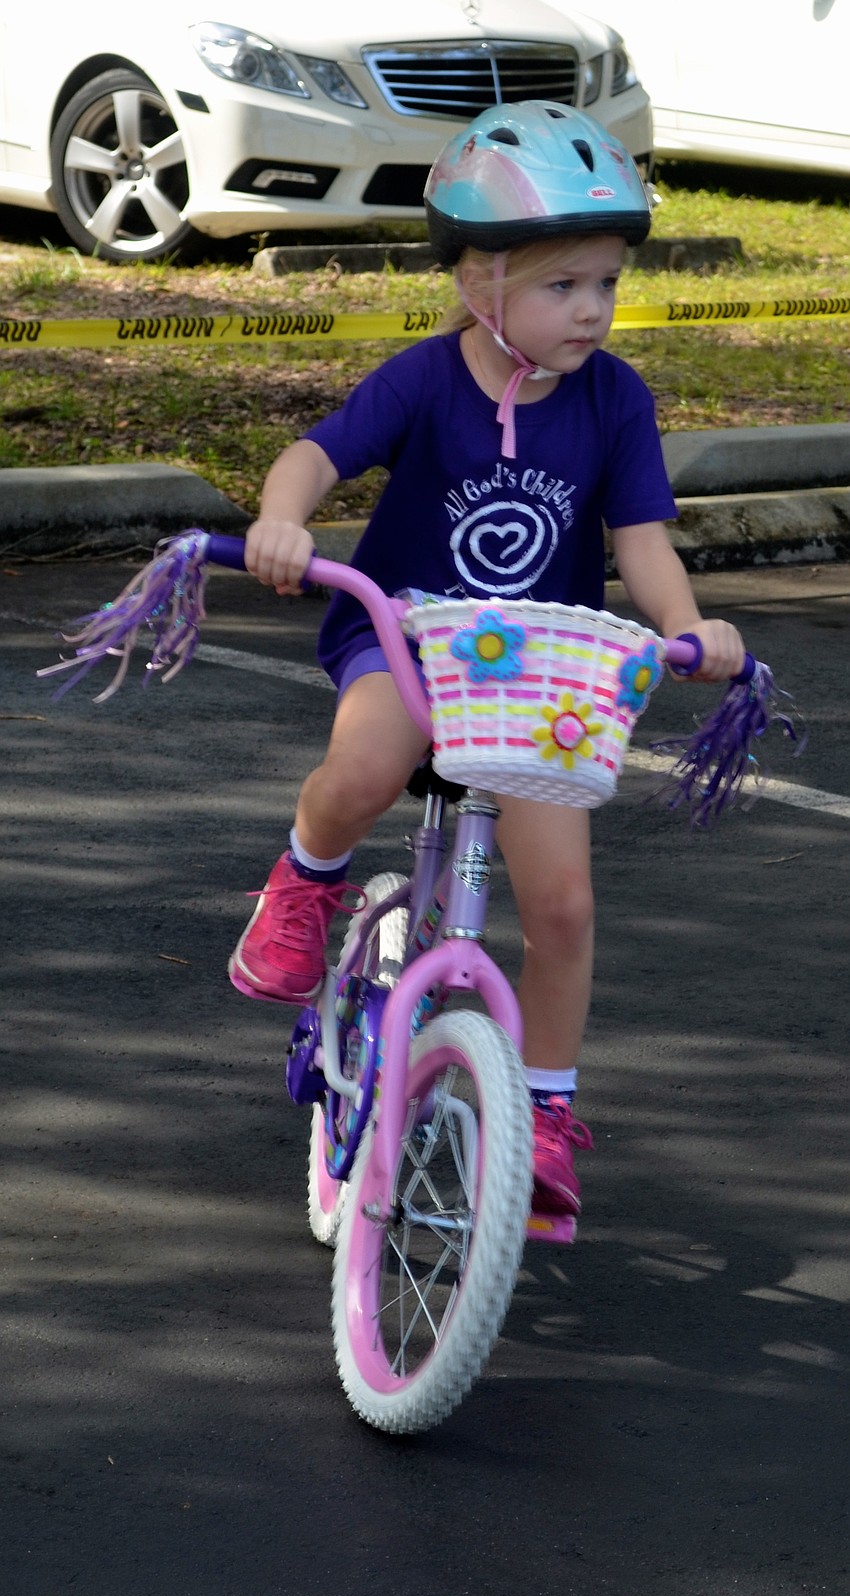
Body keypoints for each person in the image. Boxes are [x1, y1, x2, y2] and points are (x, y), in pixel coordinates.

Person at [228, 100, 745, 1237]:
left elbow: (642, 541)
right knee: (368, 764)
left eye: (607, 283)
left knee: (560, 903)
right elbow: (316, 456)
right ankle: (304, 880)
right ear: (478, 284)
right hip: (407, 639)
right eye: (565, 286)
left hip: (539, 673)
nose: (595, 310)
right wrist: (281, 520)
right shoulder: (423, 380)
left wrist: (692, 625)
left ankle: (547, 1117)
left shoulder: (616, 400)